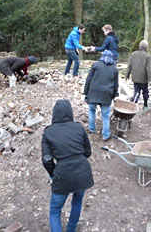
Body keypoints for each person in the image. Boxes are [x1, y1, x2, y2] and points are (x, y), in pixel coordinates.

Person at [41, 99, 94, 232]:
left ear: (54, 114)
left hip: (62, 174)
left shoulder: (48, 132)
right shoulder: (78, 127)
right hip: (82, 172)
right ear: (70, 112)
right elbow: (88, 152)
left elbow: (47, 159)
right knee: (77, 202)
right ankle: (71, 229)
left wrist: (54, 173)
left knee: (55, 210)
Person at [84, 50, 119, 141]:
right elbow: (116, 85)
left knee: (92, 111)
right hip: (106, 95)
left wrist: (86, 92)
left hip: (93, 92)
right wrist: (113, 96)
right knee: (106, 115)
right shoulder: (114, 69)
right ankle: (106, 135)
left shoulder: (96, 65)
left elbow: (88, 80)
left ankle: (91, 129)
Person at [125, 40, 151, 111]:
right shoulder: (147, 56)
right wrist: (150, 79)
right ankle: (145, 106)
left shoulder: (133, 54)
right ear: (146, 47)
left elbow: (129, 66)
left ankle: (134, 107)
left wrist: (127, 76)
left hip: (135, 78)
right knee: (145, 92)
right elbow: (148, 68)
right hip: (144, 79)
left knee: (136, 92)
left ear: (139, 46)